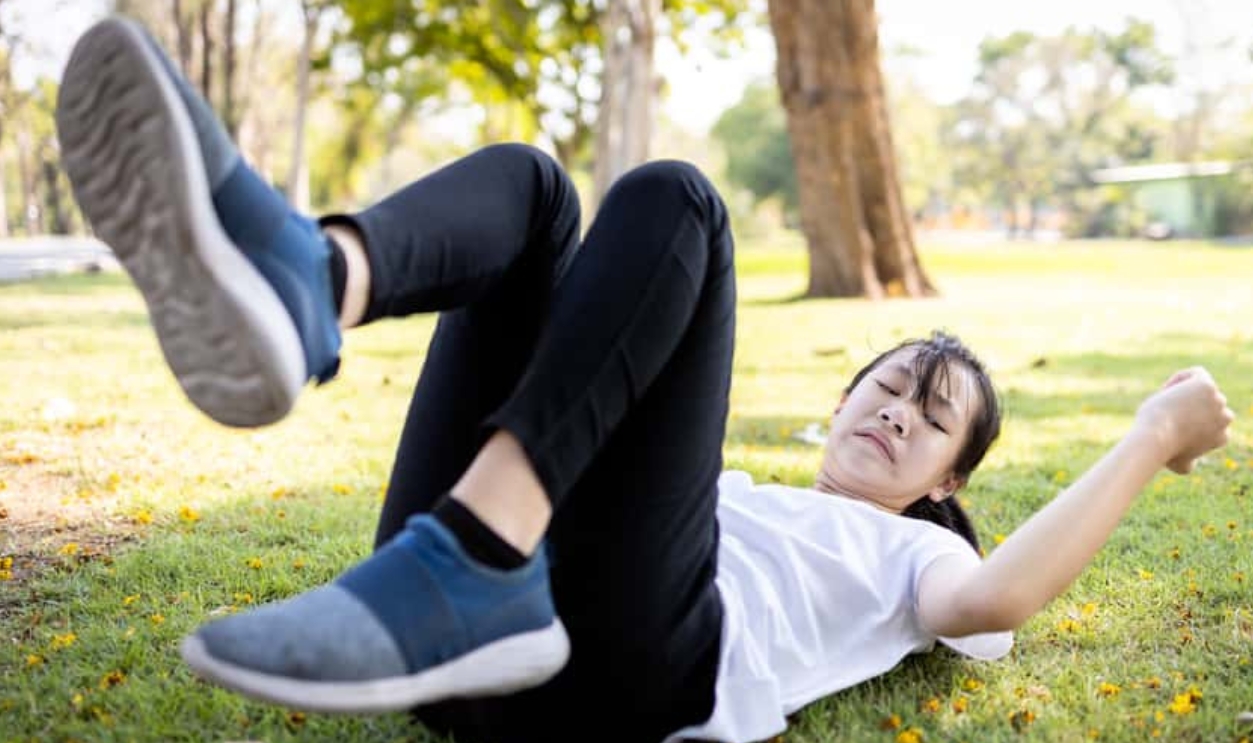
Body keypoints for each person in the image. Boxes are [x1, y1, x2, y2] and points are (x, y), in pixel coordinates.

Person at [56, 17, 1234, 743]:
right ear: (837, 399)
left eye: (931, 420)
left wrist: (1148, 431)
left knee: (677, 200)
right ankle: (314, 276)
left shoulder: (917, 556)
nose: (892, 410)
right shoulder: (708, 493)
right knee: (533, 187)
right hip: (450, 673)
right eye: (886, 384)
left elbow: (994, 604)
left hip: (630, 675)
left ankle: (473, 562)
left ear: (942, 484)